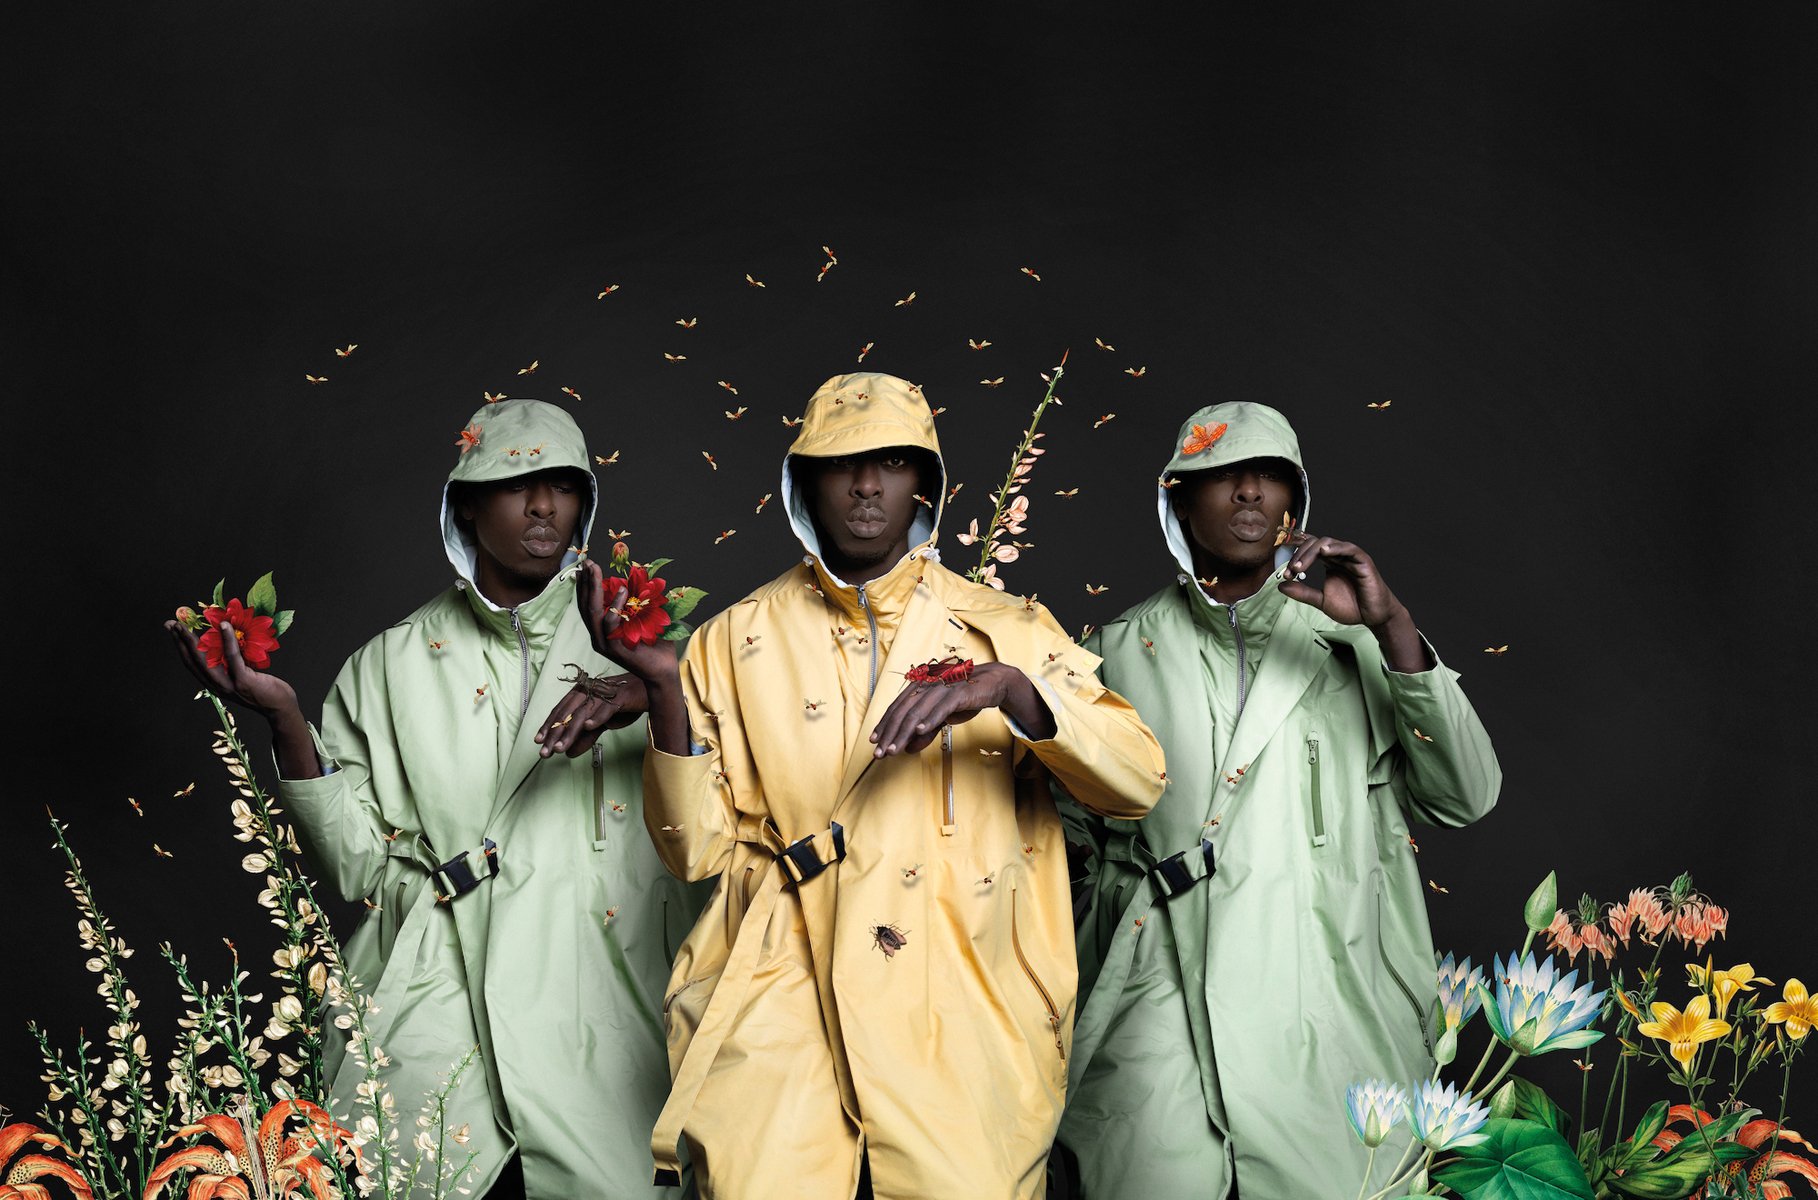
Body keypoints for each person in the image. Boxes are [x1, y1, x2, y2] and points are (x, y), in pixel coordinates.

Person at [538, 372, 1165, 1200]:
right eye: (842, 464)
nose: (868, 485)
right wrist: (661, 685)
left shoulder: (1003, 626)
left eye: (895, 462)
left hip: (966, 1002)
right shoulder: (736, 637)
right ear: (805, 482)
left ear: (925, 485)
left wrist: (1009, 690)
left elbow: (1138, 779)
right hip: (778, 991)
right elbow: (695, 854)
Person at [168, 398, 706, 1200]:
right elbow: (357, 868)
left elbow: (712, 833)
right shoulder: (387, 666)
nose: (543, 506)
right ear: (464, 503)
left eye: (564, 485)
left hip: (604, 1008)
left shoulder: (664, 658)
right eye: (515, 483)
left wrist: (653, 689)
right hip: (436, 1004)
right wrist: (285, 718)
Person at [1054, 401, 1501, 1199]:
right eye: (1223, 477)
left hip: (1329, 1007)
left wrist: (1392, 625)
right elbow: (1058, 839)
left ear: (1295, 502)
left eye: (1270, 477)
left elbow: (1466, 796)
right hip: (1159, 1007)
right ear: (1180, 503)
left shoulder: (1362, 644)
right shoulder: (1114, 651)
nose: (1251, 494)